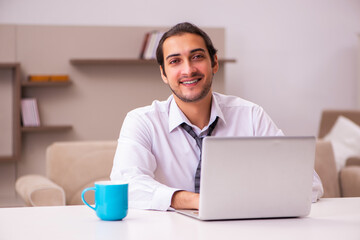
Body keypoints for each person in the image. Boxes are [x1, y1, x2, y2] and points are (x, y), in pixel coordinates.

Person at [110, 22, 324, 211]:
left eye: (197, 57)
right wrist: (194, 200)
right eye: (175, 61)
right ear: (164, 74)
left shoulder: (250, 116)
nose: (188, 69)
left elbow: (309, 183)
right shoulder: (142, 121)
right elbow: (126, 184)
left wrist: (240, 200)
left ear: (214, 63)